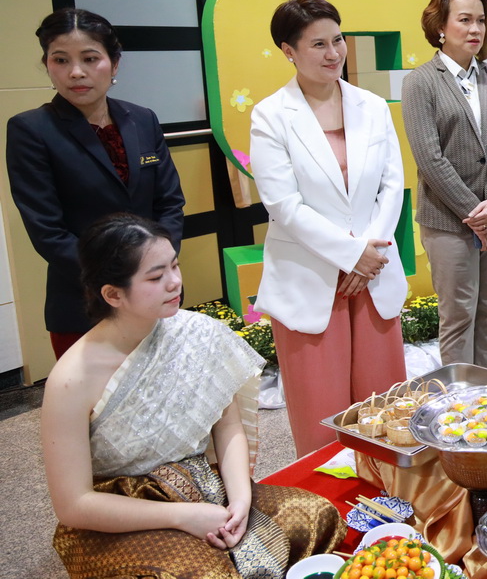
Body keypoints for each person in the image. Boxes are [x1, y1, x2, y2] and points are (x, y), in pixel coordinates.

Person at [42, 213, 345, 578]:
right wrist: (184, 516)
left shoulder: (198, 332)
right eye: (155, 277)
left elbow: (228, 427)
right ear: (112, 294)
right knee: (198, 574)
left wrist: (241, 499)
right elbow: (74, 504)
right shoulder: (71, 379)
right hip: (123, 510)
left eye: (175, 266)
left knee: (317, 517)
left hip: (202, 484)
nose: (175, 282)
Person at [250, 0, 408, 455]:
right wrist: (350, 253)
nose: (333, 52)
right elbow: (284, 205)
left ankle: (388, 492)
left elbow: (392, 185)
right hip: (311, 277)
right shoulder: (271, 115)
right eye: (318, 44)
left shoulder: (372, 106)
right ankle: (327, 497)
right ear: (289, 51)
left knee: (385, 409)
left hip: (373, 272)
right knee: (322, 416)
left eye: (337, 40)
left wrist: (370, 253)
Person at [7, 8, 185, 359]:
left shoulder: (142, 119)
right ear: (47, 64)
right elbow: (48, 232)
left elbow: (170, 204)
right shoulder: (31, 130)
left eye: (90, 58)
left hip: (159, 296)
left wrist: (156, 272)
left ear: (114, 64)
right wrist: (123, 280)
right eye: (61, 60)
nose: (76, 72)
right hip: (86, 302)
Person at [403, 0, 487, 369]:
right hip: (449, 221)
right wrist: (476, 214)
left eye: (481, 21)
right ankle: (461, 396)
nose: (475, 29)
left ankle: (486, 389)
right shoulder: (420, 81)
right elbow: (429, 158)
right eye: (465, 20)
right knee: (458, 314)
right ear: (440, 26)